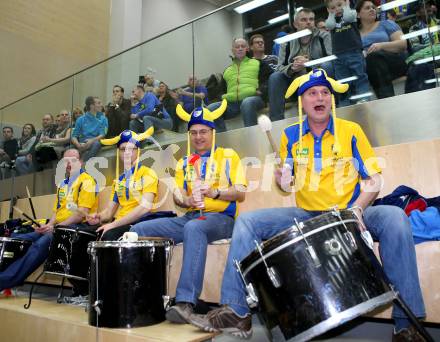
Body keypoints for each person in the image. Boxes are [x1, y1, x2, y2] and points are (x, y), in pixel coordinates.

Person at [189, 69, 426, 342]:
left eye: (325, 92)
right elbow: (287, 184)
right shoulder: (291, 136)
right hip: (307, 215)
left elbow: (374, 179)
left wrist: (358, 209)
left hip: (348, 211)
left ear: (331, 100)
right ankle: (237, 312)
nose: (320, 97)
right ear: (302, 101)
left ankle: (406, 324)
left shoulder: (350, 131)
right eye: (313, 93)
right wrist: (283, 179)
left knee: (394, 217)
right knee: (248, 221)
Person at [130, 101, 247, 324]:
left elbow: (240, 193)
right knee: (139, 229)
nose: (198, 137)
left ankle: (185, 303)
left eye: (203, 131)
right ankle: (142, 296)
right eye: (193, 132)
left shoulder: (228, 155)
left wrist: (215, 192)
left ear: (213, 132)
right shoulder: (185, 162)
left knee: (194, 228)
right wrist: (186, 199)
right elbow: (179, 197)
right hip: (190, 216)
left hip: (221, 219)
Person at [0, 148, 98, 294]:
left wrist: (56, 228)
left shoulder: (88, 181)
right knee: (18, 239)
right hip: (58, 226)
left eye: (73, 160)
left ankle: (4, 281)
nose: (69, 163)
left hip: (74, 228)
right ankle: (10, 280)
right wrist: (48, 225)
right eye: (66, 161)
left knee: (40, 245)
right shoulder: (63, 184)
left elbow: (79, 214)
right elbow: (56, 212)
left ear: (81, 162)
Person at [87, 128, 160, 240]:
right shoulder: (119, 180)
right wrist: (98, 217)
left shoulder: (147, 173)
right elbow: (109, 213)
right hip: (119, 223)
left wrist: (113, 225)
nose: (126, 153)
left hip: (138, 223)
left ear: (138, 151)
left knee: (108, 235)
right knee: (89, 235)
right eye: (122, 149)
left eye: (131, 149)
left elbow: (145, 207)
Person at [269, 8, 332, 122]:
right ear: (295, 24)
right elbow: (279, 68)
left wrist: (308, 64)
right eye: (304, 20)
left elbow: (331, 59)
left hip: (318, 78)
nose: (308, 22)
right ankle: (276, 121)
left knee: (328, 66)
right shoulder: (286, 41)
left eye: (311, 19)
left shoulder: (324, 36)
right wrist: (292, 67)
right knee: (275, 77)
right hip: (294, 82)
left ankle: (332, 107)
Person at [207, 38, 272, 131]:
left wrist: (261, 90)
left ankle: (252, 137)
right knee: (211, 108)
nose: (240, 49)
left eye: (243, 46)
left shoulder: (258, 63)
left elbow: (269, 80)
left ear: (247, 49)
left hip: (253, 99)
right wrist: (222, 97)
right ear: (233, 50)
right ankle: (222, 139)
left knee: (247, 103)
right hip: (232, 104)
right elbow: (221, 90)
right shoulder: (227, 70)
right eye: (237, 47)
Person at [356, 0, 408, 99]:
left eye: (373, 7)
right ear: (358, 15)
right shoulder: (355, 35)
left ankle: (387, 101)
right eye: (367, 8)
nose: (372, 10)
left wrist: (381, 46)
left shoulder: (386, 24)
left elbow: (403, 44)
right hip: (369, 69)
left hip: (393, 62)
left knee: (374, 57)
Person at [325, 0, 371, 105]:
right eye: (332, 8)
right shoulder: (331, 20)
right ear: (328, 10)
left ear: (346, 2)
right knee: (342, 82)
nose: (337, 9)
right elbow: (329, 25)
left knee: (360, 77)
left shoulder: (352, 13)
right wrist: (331, 14)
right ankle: (345, 103)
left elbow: (348, 18)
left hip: (354, 52)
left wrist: (346, 6)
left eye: (339, 5)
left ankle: (364, 99)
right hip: (338, 56)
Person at [71, 96, 108, 162]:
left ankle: (83, 163)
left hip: (95, 142)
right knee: (68, 150)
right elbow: (74, 136)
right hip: (82, 143)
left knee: (96, 144)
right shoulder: (80, 119)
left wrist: (92, 140)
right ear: (92, 106)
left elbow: (103, 134)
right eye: (98, 103)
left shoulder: (103, 119)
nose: (101, 105)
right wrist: (78, 145)